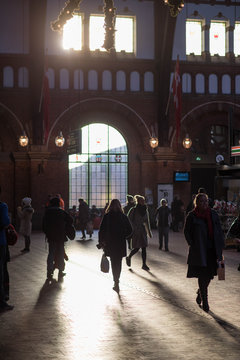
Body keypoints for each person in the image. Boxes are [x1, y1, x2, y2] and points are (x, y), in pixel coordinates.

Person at [184, 193, 225, 312]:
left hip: (212, 250)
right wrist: (192, 244)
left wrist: (221, 246)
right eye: (202, 201)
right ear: (197, 203)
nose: (204, 204)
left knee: (210, 275)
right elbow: (187, 232)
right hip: (200, 250)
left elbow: (219, 230)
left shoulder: (213, 214)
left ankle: (200, 292)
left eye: (206, 201)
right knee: (202, 275)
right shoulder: (192, 216)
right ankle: (205, 301)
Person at [98, 199, 132, 293]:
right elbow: (130, 230)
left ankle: (115, 281)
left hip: (110, 243)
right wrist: (124, 236)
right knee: (119, 262)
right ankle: (117, 279)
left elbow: (102, 230)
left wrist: (101, 241)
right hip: (120, 243)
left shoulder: (107, 216)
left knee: (113, 262)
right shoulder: (123, 216)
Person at [42, 197, 74, 282]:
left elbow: (43, 225)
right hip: (60, 237)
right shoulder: (62, 212)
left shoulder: (47, 213)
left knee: (51, 254)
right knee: (60, 254)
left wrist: (48, 233)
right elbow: (71, 220)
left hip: (51, 237)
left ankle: (49, 271)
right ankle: (60, 271)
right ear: (58, 203)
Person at [126, 195, 152, 271]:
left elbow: (147, 221)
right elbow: (129, 220)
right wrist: (132, 228)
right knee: (137, 248)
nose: (143, 202)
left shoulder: (145, 210)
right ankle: (129, 257)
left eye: (144, 201)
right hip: (136, 231)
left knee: (144, 248)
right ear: (138, 201)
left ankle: (144, 264)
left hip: (143, 231)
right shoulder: (133, 210)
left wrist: (149, 232)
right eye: (142, 201)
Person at [0, 186, 14, 311]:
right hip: (0, 242)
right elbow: (5, 222)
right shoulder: (2, 206)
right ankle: (1, 302)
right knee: (1, 271)